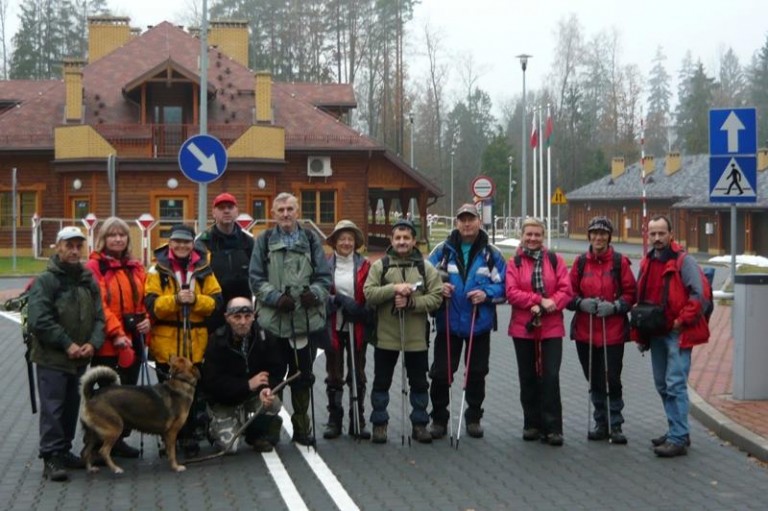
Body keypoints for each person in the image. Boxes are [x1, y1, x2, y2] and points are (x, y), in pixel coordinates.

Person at [249, 192, 332, 446]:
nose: (285, 214)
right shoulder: (263, 241)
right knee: (273, 377)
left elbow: (324, 278)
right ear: (273, 213)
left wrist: (315, 294)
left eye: (290, 209)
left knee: (303, 376)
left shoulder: (310, 239)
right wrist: (274, 298)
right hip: (273, 323)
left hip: (304, 322)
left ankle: (302, 427)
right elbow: (255, 279)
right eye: (281, 210)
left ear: (298, 211)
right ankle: (271, 429)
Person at [27, 226, 105, 481]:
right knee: (53, 407)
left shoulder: (86, 278)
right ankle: (50, 457)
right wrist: (67, 343)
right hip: (53, 358)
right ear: (58, 247)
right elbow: (40, 320)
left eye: (77, 246)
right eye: (68, 245)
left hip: (81, 358)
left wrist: (93, 343)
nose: (73, 251)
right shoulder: (46, 280)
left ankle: (64, 450)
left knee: (72, 406)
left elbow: (99, 317)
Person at [427, 204, 506, 440]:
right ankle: (439, 419)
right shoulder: (442, 251)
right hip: (448, 322)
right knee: (441, 373)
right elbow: (423, 278)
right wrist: (439, 288)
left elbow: (505, 287)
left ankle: (473, 418)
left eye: (470, 219)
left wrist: (486, 293)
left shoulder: (492, 253)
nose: (466, 224)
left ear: (479, 222)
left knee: (477, 372)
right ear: (456, 223)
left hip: (477, 324)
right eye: (462, 219)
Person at [633, 215, 709, 457]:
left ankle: (678, 438)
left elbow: (699, 296)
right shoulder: (647, 261)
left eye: (661, 233)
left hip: (677, 333)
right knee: (662, 384)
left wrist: (680, 321)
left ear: (670, 234)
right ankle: (677, 430)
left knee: (675, 384)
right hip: (656, 332)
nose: (656, 238)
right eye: (652, 233)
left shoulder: (683, 261)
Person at [145, 224, 223, 456]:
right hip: (166, 345)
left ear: (192, 244)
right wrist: (176, 300)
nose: (181, 246)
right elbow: (152, 305)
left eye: (186, 242)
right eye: (177, 241)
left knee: (193, 396)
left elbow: (217, 302)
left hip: (195, 344)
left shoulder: (205, 269)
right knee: (166, 397)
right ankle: (167, 438)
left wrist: (196, 300)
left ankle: (189, 436)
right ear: (170, 243)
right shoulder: (156, 271)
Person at [363, 219, 443, 444]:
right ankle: (379, 423)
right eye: (398, 238)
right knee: (381, 382)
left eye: (406, 238)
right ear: (391, 240)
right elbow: (369, 293)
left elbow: (436, 297)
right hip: (386, 336)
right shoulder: (381, 266)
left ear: (413, 241)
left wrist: (412, 304)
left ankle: (419, 423)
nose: (402, 242)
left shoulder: (425, 268)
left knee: (419, 382)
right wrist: (393, 289)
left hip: (416, 337)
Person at [84, 216, 151, 459]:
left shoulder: (135, 266)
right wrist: (117, 333)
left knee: (128, 395)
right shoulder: (95, 268)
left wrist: (147, 320)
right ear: (103, 238)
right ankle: (95, 445)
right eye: (112, 235)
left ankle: (118, 440)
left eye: (122, 234)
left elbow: (145, 298)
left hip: (134, 340)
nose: (118, 239)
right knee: (105, 397)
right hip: (108, 344)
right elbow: (99, 304)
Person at [567, 216, 636, 444]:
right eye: (594, 233)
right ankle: (601, 421)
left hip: (612, 331)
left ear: (609, 236)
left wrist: (615, 307)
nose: (598, 237)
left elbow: (631, 294)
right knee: (594, 378)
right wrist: (580, 303)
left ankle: (615, 423)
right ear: (589, 236)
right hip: (585, 332)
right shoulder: (580, 263)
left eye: (603, 233)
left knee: (612, 378)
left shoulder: (619, 262)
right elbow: (568, 294)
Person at [505, 217, 573, 446]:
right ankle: (531, 424)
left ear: (543, 236)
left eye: (537, 234)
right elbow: (511, 292)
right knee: (528, 377)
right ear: (522, 235)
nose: (532, 238)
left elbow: (566, 289)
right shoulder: (514, 263)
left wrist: (552, 302)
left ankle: (553, 427)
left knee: (550, 376)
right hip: (523, 328)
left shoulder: (555, 260)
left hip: (551, 327)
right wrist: (537, 300)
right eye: (529, 234)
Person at [201, 297, 283, 453]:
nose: (243, 322)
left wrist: (266, 389)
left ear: (254, 316)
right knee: (229, 448)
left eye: (247, 316)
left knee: (273, 403)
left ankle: (257, 434)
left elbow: (277, 370)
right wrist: (246, 385)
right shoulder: (216, 342)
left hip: (252, 396)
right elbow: (211, 383)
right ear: (227, 317)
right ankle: (212, 427)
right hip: (225, 400)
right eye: (237, 317)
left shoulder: (264, 337)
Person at [323, 220, 372, 440]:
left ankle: (357, 418)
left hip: (358, 324)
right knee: (334, 373)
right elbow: (320, 292)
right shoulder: (324, 265)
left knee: (357, 373)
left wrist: (362, 310)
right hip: (334, 324)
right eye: (342, 238)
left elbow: (373, 292)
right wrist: (337, 299)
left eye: (350, 239)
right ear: (334, 242)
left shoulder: (366, 266)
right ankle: (335, 419)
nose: (346, 242)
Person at [196, 192, 255, 332]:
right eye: (221, 208)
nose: (226, 211)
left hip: (243, 311)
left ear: (236, 212)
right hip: (214, 311)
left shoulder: (249, 241)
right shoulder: (202, 242)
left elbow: (259, 274)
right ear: (214, 213)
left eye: (230, 207)